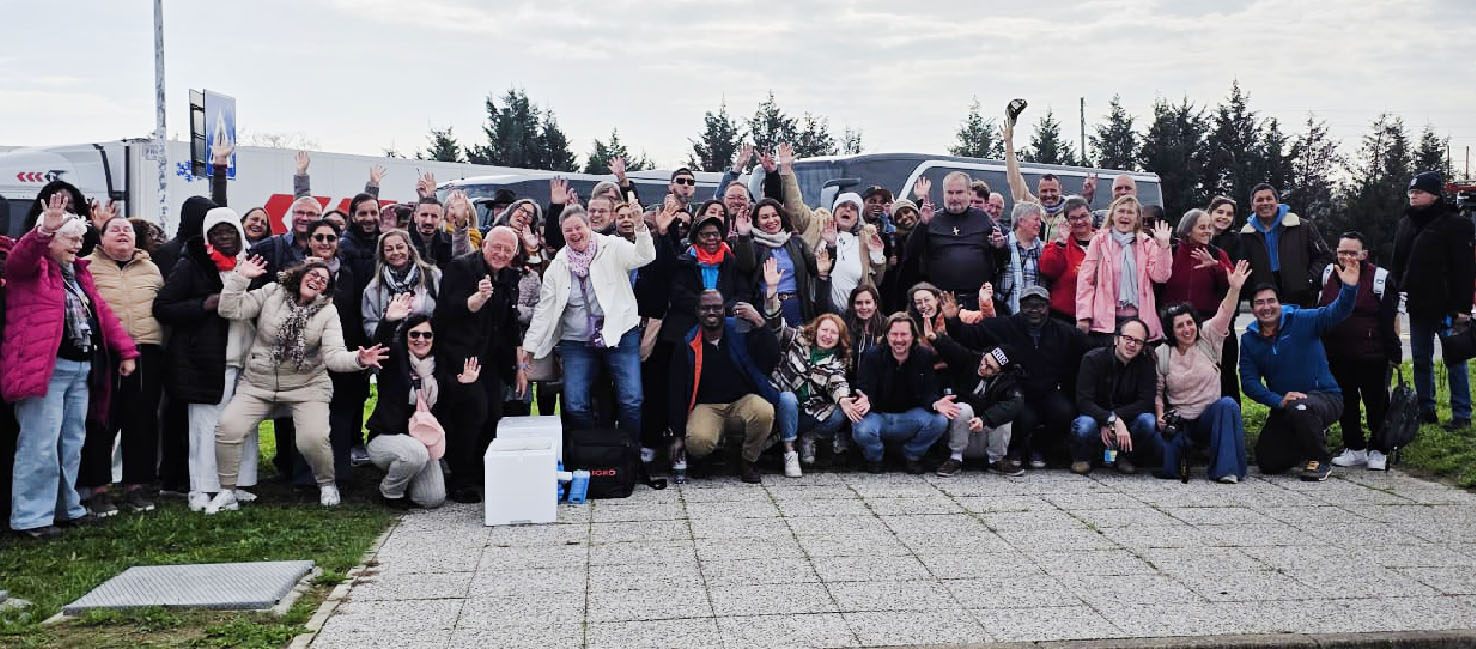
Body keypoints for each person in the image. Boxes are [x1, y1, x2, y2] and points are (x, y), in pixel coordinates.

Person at [3, 194, 138, 538]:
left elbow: (101, 315)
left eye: (80, 239)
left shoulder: (77, 274)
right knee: (40, 444)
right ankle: (32, 518)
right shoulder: (30, 269)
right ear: (50, 238)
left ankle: (67, 508)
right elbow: (19, 260)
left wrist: (125, 351)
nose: (79, 245)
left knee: (71, 442)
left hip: (79, 369)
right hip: (44, 370)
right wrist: (44, 231)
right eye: (72, 239)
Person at [207, 258, 387, 513]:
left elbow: (334, 357)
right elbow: (230, 309)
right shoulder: (272, 292)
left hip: (307, 385)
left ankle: (327, 483)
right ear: (301, 275)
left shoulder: (328, 311)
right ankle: (227, 492)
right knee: (228, 428)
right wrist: (241, 277)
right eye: (313, 274)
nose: (316, 280)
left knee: (312, 440)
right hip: (258, 382)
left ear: (326, 289)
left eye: (323, 280)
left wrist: (359, 359)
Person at [153, 207, 263, 512]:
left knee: (243, 425)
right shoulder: (192, 264)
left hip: (247, 358)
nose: (225, 237)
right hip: (206, 359)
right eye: (217, 233)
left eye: (230, 231)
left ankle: (237, 483)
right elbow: (163, 307)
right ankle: (201, 487)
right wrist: (204, 304)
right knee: (205, 427)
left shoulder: (252, 263)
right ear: (207, 236)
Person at [521, 207, 655, 447]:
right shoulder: (558, 265)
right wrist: (529, 349)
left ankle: (628, 454)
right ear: (562, 234)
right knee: (575, 403)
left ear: (589, 227)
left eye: (578, 227)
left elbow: (644, 257)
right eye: (568, 230)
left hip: (620, 333)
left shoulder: (611, 246)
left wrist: (641, 228)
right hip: (577, 341)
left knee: (632, 399)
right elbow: (545, 310)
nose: (574, 234)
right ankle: (595, 451)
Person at [1241, 257, 1361, 481]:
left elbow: (1337, 312)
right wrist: (1277, 400)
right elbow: (1248, 383)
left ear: (1280, 302)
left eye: (1271, 301)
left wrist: (1349, 288)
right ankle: (1308, 435)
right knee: (1269, 462)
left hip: (1325, 397)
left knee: (1302, 408)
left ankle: (1320, 459)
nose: (1266, 307)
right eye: (1260, 303)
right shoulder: (1249, 340)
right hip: (1286, 404)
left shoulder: (1303, 319)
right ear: (1253, 308)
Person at [944, 285, 1088, 470]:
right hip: (1017, 390)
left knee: (1064, 412)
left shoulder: (1063, 331)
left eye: (1040, 306)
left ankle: (1039, 446)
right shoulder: (1004, 326)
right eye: (1029, 305)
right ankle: (1015, 448)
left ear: (1048, 307)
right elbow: (968, 336)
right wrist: (952, 320)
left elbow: (1089, 348)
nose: (1034, 310)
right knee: (1020, 416)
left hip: (1049, 390)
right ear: (1020, 306)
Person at [78, 212, 164, 515]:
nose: (122, 234)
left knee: (141, 419)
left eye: (127, 230)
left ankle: (137, 485)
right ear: (102, 237)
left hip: (146, 351)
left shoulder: (151, 268)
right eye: (115, 230)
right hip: (104, 352)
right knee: (102, 420)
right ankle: (98, 488)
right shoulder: (86, 266)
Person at [435, 226, 525, 502]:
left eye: (507, 250)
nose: (500, 253)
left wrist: (520, 367)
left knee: (494, 413)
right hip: (460, 356)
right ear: (484, 244)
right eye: (496, 247)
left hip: (492, 358)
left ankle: (484, 472)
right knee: (472, 413)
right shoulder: (461, 268)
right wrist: (477, 299)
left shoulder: (510, 276)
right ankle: (462, 479)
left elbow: (511, 325)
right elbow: (450, 310)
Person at [364, 303, 480, 509]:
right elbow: (379, 344)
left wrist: (465, 385)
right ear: (406, 337)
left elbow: (452, 405)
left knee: (432, 498)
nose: (421, 340)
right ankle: (390, 492)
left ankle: (407, 478)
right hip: (387, 437)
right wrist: (389, 321)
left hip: (424, 443)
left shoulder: (439, 368)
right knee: (414, 453)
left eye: (427, 335)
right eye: (414, 334)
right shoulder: (395, 359)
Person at [762, 258, 864, 476]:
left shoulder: (836, 361)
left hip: (808, 410)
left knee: (838, 415)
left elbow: (838, 382)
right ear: (815, 330)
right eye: (824, 330)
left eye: (833, 333)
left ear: (840, 339)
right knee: (788, 399)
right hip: (780, 401)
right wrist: (772, 292)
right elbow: (774, 323)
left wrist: (845, 400)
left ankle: (801, 436)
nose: (827, 336)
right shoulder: (797, 337)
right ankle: (790, 451)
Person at [1391, 171, 1476, 430]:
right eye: (1411, 192)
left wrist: (1462, 308)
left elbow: (1465, 269)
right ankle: (1425, 409)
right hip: (1417, 305)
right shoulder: (1406, 223)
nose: (1413, 196)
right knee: (1420, 358)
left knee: (1455, 358)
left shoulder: (1456, 224)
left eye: (1419, 192)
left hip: (1448, 306)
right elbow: (1398, 262)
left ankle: (1461, 414)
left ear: (1435, 194)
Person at [1155, 261, 1253, 484]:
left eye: (1190, 323)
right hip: (1180, 420)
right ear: (1171, 331)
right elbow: (1158, 391)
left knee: (1228, 405)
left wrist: (1234, 289)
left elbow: (1225, 312)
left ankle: (1226, 471)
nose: (1187, 329)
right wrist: (1160, 415)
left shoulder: (1209, 337)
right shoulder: (1162, 353)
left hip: (1210, 417)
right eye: (1180, 326)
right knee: (1170, 471)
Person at [668, 290, 780, 484]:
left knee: (764, 411)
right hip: (707, 407)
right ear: (697, 311)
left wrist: (760, 323)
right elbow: (676, 391)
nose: (711, 312)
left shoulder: (739, 330)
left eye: (716, 307)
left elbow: (770, 358)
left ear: (724, 310)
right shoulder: (687, 342)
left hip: (741, 401)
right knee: (697, 442)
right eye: (705, 308)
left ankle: (748, 460)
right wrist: (678, 436)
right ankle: (705, 459)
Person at [776, 143, 888, 309]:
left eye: (853, 208)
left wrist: (878, 255)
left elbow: (877, 280)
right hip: (818, 310)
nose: (847, 210)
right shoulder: (816, 225)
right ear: (834, 211)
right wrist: (787, 172)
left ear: (858, 218)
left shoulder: (865, 239)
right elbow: (794, 206)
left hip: (854, 315)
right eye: (843, 206)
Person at [1323, 233, 1401, 470]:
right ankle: (1353, 447)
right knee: (1346, 403)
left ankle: (1379, 449)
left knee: (1376, 403)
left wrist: (1394, 353)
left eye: (1352, 253)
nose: (1346, 257)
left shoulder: (1380, 278)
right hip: (1337, 353)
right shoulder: (1328, 274)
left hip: (1373, 354)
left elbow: (1390, 318)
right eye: (1342, 252)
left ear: (1364, 254)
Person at [852, 313, 953, 474]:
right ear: (887, 335)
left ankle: (912, 456)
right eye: (894, 334)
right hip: (879, 415)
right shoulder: (873, 355)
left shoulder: (924, 356)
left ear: (913, 336)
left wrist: (935, 403)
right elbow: (864, 387)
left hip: (910, 416)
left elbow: (930, 390)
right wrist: (865, 400)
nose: (899, 339)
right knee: (861, 427)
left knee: (940, 421)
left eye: (904, 334)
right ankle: (875, 458)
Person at [1076, 196, 1174, 344]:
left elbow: (1161, 277)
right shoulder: (1099, 241)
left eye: (1130, 212)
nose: (1125, 216)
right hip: (1106, 323)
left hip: (1139, 319)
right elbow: (1086, 280)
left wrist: (1164, 247)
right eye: (1121, 211)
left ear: (1137, 219)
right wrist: (1084, 316)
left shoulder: (1148, 243)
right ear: (1112, 215)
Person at [1070, 319, 1162, 475]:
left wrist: (1115, 419)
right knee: (1084, 426)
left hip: (1126, 422)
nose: (1132, 345)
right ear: (1116, 339)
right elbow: (1084, 401)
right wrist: (1108, 420)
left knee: (1148, 421)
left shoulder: (1146, 364)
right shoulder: (1092, 359)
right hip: (1095, 418)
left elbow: (1145, 402)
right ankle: (1083, 457)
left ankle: (1124, 457)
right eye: (1128, 338)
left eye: (1138, 342)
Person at [905, 171, 1005, 311]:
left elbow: (1002, 260)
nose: (954, 198)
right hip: (942, 299)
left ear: (969, 194)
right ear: (943, 194)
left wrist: (1000, 246)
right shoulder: (932, 219)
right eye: (950, 193)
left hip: (977, 299)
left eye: (959, 192)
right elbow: (910, 253)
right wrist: (922, 224)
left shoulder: (983, 219)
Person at [935, 345, 1026, 478]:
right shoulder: (971, 361)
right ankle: (955, 458)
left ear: (1000, 372)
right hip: (958, 436)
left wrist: (985, 420)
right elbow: (953, 350)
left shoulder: (1009, 381)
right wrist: (938, 339)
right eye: (984, 361)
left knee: (1003, 413)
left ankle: (997, 461)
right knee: (962, 408)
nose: (983, 367)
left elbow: (1015, 404)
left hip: (987, 438)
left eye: (990, 367)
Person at [1239, 182, 1331, 308]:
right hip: (1265, 299)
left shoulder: (1302, 226)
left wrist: (1308, 279)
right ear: (1252, 205)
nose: (1265, 203)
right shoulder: (1246, 234)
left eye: (1269, 198)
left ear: (1277, 202)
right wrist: (1251, 287)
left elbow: (1324, 256)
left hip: (1300, 297)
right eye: (1259, 200)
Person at [732, 198, 820, 327]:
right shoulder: (752, 245)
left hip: (795, 306)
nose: (771, 220)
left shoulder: (796, 242)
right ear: (756, 221)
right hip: (765, 307)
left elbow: (815, 268)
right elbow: (745, 268)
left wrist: (831, 247)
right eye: (765, 217)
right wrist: (744, 235)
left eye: (775, 215)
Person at [361, 230, 441, 338]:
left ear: (409, 249)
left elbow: (444, 310)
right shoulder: (373, 288)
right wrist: (388, 325)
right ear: (383, 254)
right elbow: (370, 324)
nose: (395, 252)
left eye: (399, 247)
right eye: (389, 249)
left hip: (427, 342)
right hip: (393, 348)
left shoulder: (432, 276)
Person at [1038, 197, 1094, 323]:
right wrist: (1061, 243)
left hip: (1097, 316)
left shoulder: (1104, 241)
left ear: (1091, 215)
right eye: (1074, 218)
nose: (1079, 222)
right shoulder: (1058, 245)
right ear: (1066, 221)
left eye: (1083, 216)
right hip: (1064, 317)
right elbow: (1047, 271)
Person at [996, 202, 1046, 315]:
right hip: (1006, 316)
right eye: (1036, 219)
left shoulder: (1043, 249)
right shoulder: (1002, 245)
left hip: (1034, 318)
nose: (1040, 224)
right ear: (1021, 221)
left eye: (1040, 220)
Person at [1206, 196, 1244, 263]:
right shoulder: (1198, 236)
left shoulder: (1237, 240)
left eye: (1229, 214)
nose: (1224, 217)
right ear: (1210, 213)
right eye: (1220, 212)